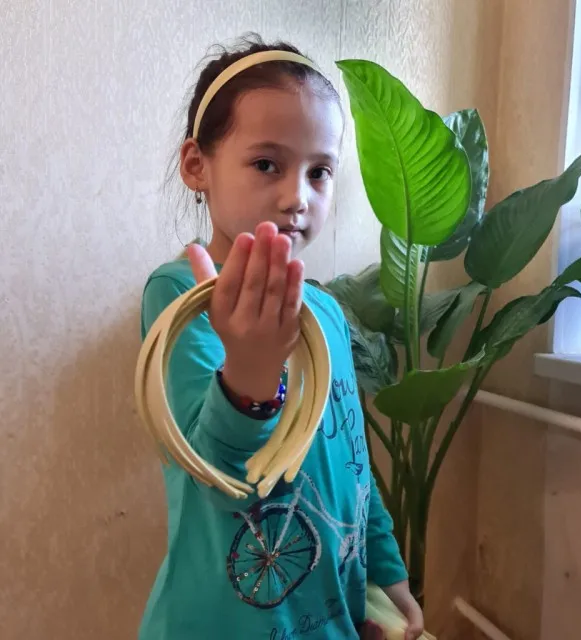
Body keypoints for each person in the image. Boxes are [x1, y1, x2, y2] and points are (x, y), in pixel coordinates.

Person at [139, 34, 424, 640]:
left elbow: (356, 466)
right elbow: (215, 473)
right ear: (197, 165)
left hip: (334, 618)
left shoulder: (327, 315)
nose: (298, 197)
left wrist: (389, 575)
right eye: (267, 164)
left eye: (319, 172)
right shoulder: (180, 297)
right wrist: (250, 373)